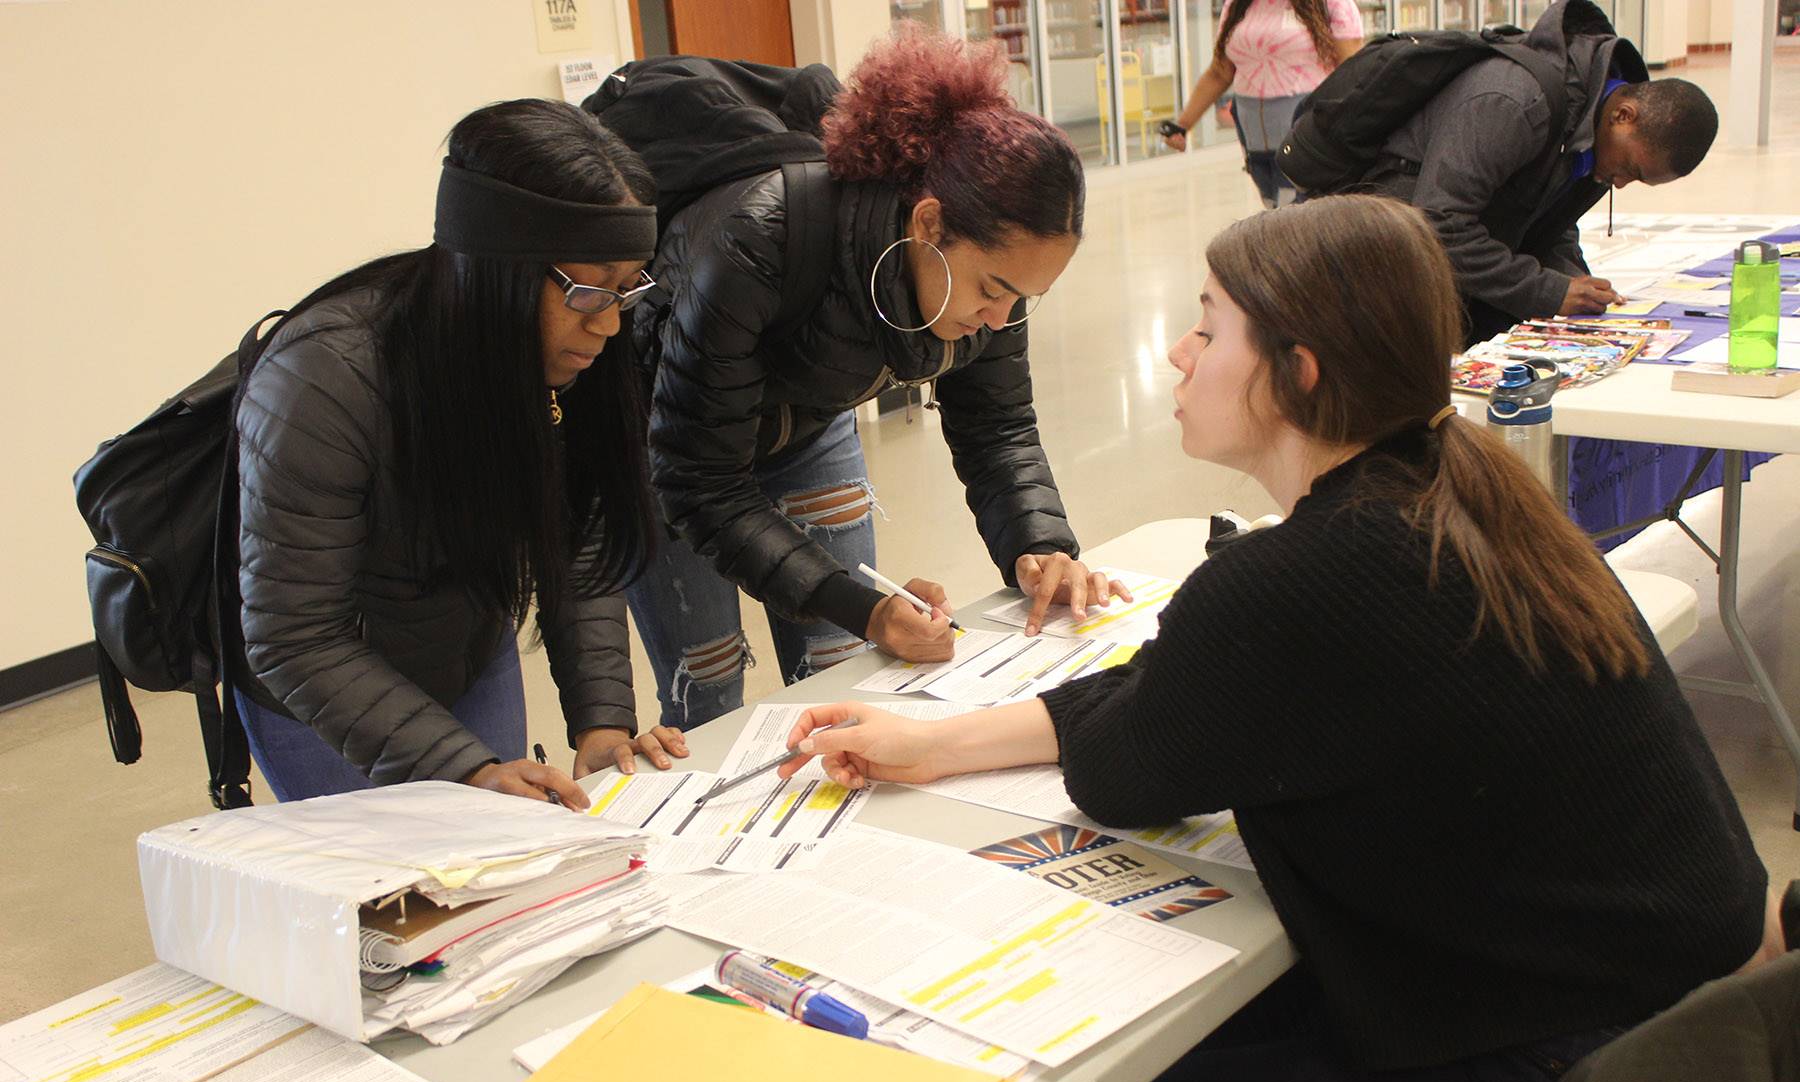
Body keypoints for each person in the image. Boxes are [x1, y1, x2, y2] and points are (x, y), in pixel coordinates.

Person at [775, 195, 1771, 1082]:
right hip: (1670, 1025)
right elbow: (1181, 696)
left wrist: (947, 744)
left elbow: (1131, 766)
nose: (1175, 351)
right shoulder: (1452, 484)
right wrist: (939, 745)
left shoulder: (1302, 579)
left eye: (1209, 328)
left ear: (1299, 376)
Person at [626, 27, 1129, 731]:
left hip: (805, 421)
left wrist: (1040, 545)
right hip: (668, 443)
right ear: (928, 224)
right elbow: (700, 480)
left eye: (1024, 297)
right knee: (707, 686)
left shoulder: (989, 283)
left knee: (842, 671)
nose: (1001, 316)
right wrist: (867, 608)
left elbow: (999, 429)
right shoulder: (755, 238)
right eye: (993, 288)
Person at [233, 99, 687, 805]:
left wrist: (603, 721)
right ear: (496, 268)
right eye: (589, 289)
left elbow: (582, 538)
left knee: (500, 868)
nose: (607, 323)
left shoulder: (568, 350)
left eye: (627, 290)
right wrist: (465, 767)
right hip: (320, 685)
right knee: (399, 898)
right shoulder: (322, 378)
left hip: (466, 640)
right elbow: (294, 634)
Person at [1340, 0, 1716, 341]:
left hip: (1452, 271)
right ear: (1623, 115)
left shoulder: (1592, 124)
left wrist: (1571, 279)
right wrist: (1551, 291)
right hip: (1382, 266)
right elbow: (1439, 223)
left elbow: (1550, 215)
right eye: (1631, 169)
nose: (1621, 182)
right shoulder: (1513, 102)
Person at [1160, 0, 1364, 208]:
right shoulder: (1237, 5)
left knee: (1295, 219)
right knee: (1274, 210)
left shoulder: (1332, 4)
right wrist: (1183, 124)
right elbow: (1219, 73)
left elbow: (1354, 72)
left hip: (1307, 136)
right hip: (1255, 138)